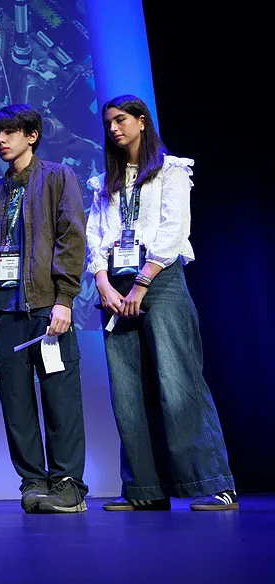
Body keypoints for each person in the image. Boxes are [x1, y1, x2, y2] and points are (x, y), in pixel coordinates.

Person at [87, 94, 238, 511]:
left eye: (121, 120)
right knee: (128, 392)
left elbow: (174, 229)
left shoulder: (170, 171)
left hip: (159, 280)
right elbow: (95, 235)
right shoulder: (106, 182)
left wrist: (141, 284)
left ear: (141, 121)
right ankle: (144, 490)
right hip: (116, 289)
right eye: (109, 123)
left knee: (178, 383)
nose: (115, 129)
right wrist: (102, 281)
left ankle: (213, 483)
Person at [0, 104, 88, 514]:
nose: (0, 141)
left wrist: (65, 299)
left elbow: (71, 239)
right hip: (3, 313)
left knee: (60, 399)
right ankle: (33, 481)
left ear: (32, 135)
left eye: (9, 132)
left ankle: (69, 486)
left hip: (45, 308)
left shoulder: (58, 177)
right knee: (16, 405)